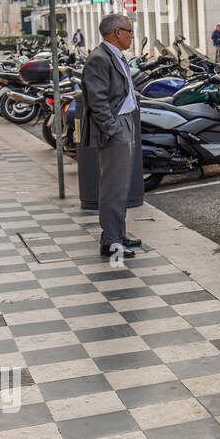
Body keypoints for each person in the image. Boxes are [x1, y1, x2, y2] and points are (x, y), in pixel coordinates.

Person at [82, 14, 141, 258]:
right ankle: (111, 242)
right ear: (117, 33)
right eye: (129, 31)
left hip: (125, 122)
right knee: (113, 187)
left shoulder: (114, 55)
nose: (132, 35)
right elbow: (98, 101)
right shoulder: (99, 58)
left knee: (121, 186)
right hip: (116, 126)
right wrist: (113, 129)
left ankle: (117, 234)